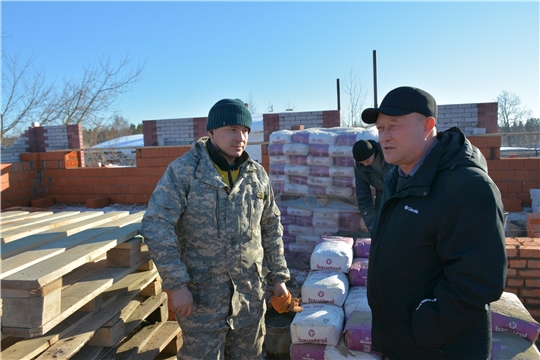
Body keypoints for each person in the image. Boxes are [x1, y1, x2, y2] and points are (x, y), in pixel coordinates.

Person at [362, 86, 507, 359]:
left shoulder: (467, 187)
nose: (384, 136)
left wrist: (425, 325)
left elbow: (478, 282)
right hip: (404, 342)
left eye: (394, 126)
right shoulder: (398, 178)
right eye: (380, 128)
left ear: (428, 126)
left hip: (441, 347)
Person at [139, 98, 290, 360]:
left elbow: (270, 226)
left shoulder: (256, 175)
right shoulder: (185, 171)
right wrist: (176, 285)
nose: (240, 137)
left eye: (245, 130)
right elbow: (156, 224)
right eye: (232, 129)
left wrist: (278, 277)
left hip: (249, 298)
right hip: (203, 301)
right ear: (211, 132)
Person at [352, 139, 393, 232]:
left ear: (373, 153)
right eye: (362, 163)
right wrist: (372, 225)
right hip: (381, 197)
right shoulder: (360, 168)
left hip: (400, 194)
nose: (365, 165)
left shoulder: (390, 154)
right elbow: (363, 197)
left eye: (366, 161)